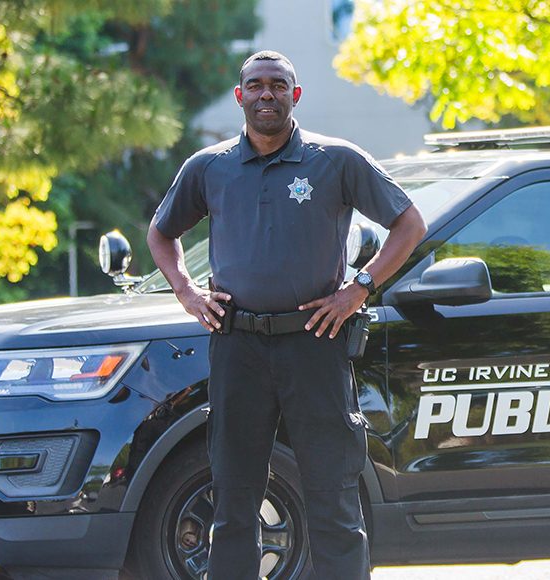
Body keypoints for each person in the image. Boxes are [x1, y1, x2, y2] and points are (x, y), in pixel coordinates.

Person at [145, 50, 426, 580]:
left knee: (333, 495)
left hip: (314, 344)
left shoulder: (335, 159)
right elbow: (161, 233)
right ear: (240, 96)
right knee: (233, 500)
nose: (266, 94)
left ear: (295, 95)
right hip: (238, 347)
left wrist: (359, 288)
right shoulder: (209, 167)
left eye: (278, 85)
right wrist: (185, 291)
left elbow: (409, 224)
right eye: (255, 85)